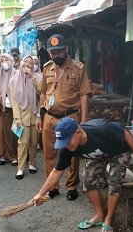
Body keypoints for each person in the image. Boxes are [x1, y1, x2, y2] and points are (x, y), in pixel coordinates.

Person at [32, 117, 133, 232]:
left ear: (78, 132)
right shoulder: (66, 148)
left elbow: (126, 135)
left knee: (115, 181)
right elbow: (56, 172)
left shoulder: (100, 129)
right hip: (99, 154)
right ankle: (100, 216)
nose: (66, 145)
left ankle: (108, 219)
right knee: (88, 180)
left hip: (119, 150)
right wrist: (40, 194)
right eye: (62, 142)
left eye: (67, 141)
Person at [36, 34, 91, 201]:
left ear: (66, 50)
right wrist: (40, 115)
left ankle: (71, 186)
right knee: (50, 153)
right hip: (50, 118)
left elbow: (83, 95)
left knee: (72, 153)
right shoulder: (47, 68)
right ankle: (52, 187)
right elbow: (43, 93)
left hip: (70, 117)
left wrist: (84, 119)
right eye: (53, 53)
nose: (56, 56)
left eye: (59, 52)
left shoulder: (78, 68)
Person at [10, 55, 41, 180]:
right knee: (23, 142)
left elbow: (41, 93)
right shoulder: (13, 80)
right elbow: (14, 101)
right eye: (25, 62)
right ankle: (20, 168)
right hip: (21, 116)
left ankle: (32, 163)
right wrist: (17, 117)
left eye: (30, 63)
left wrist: (33, 77)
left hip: (35, 115)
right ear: (21, 63)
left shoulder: (38, 77)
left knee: (34, 141)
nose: (27, 65)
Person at [0, 53, 18, 165]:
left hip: (17, 108)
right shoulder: (0, 75)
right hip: (5, 108)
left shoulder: (17, 74)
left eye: (7, 60)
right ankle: (11, 156)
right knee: (8, 133)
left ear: (11, 61)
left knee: (18, 131)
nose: (4, 63)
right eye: (2, 61)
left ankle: (21, 154)